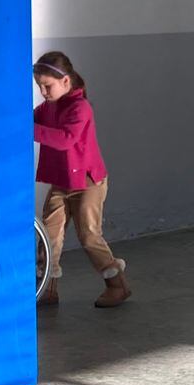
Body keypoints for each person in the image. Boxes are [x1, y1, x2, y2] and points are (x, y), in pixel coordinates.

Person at [33, 52, 129, 309]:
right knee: (49, 235)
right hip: (61, 182)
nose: (43, 92)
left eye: (47, 85)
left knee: (88, 235)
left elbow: (65, 139)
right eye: (39, 86)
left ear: (65, 81)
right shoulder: (49, 106)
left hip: (88, 183)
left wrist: (29, 130)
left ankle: (117, 284)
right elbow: (29, 119)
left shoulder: (80, 108)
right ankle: (47, 288)